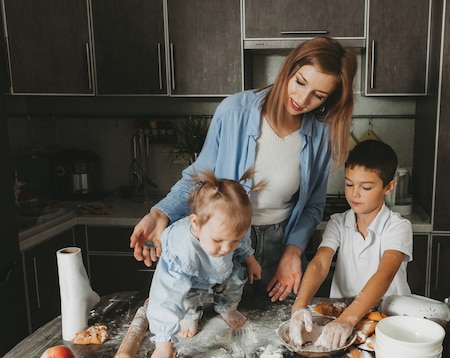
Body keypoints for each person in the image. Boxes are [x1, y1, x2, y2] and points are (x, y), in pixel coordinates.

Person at [130, 37, 358, 302]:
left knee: (282, 332)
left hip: (279, 246)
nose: (302, 99)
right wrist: (160, 213)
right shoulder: (234, 111)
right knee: (217, 327)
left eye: (318, 96)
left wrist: (293, 251)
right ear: (288, 70)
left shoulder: (322, 135)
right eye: (300, 82)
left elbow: (312, 206)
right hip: (223, 241)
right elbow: (199, 179)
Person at [288, 140, 413, 350]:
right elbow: (320, 264)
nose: (354, 193)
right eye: (348, 184)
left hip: (388, 319)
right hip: (340, 317)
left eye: (365, 187)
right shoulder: (338, 222)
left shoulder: (398, 227)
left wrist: (348, 320)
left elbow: (384, 274)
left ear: (389, 187)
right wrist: (299, 307)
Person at [146, 169, 263, 358]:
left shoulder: (229, 235)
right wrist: (163, 341)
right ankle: (190, 314)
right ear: (196, 222)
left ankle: (226, 307)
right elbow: (166, 295)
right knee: (186, 295)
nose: (226, 248)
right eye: (218, 240)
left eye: (232, 241)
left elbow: (241, 243)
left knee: (237, 275)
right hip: (191, 275)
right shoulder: (181, 248)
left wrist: (250, 260)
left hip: (221, 270)